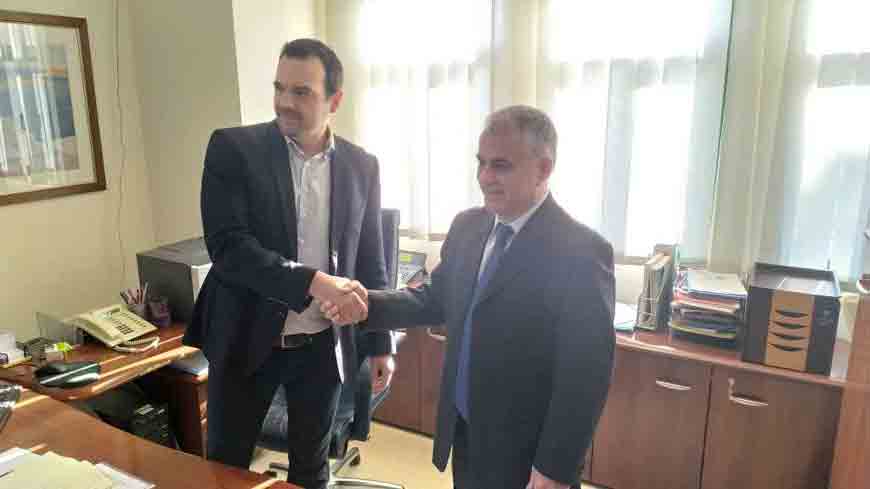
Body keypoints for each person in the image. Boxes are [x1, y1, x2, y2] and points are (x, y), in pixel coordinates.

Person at [326, 105, 615, 488]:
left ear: (543, 169)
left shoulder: (582, 252)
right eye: (481, 163)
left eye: (501, 166)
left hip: (528, 452)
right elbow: (435, 299)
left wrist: (555, 467)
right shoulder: (468, 226)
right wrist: (365, 304)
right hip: (464, 430)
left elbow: (585, 376)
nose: (485, 177)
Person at [183, 38, 393, 489]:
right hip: (245, 337)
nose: (285, 102)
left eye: (302, 92)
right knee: (226, 467)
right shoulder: (233, 149)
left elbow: (370, 259)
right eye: (279, 88)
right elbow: (230, 249)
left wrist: (381, 343)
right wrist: (316, 282)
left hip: (321, 346)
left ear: (334, 100)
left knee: (310, 472)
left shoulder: (362, 166)